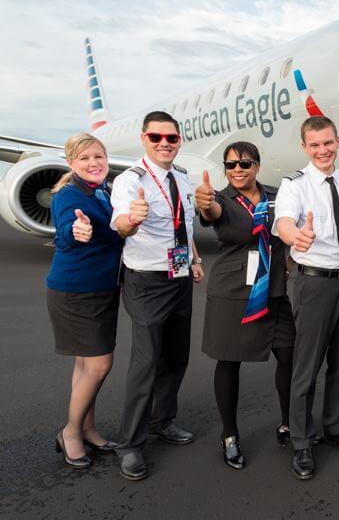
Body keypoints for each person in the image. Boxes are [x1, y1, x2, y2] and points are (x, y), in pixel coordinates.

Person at [273, 115, 339, 481]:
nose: (322, 150)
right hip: (313, 284)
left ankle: (334, 426)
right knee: (307, 367)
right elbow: (284, 221)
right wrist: (294, 236)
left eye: (328, 143)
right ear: (304, 147)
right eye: (314, 145)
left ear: (338, 142)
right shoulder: (295, 185)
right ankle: (301, 442)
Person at [109, 111, 204, 481]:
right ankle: (130, 443)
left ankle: (163, 420)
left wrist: (194, 259)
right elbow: (120, 226)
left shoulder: (181, 177)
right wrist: (131, 219)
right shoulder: (130, 181)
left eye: (171, 138)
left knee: (177, 356)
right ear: (144, 140)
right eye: (156, 137)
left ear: (179, 140)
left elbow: (186, 223)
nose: (164, 143)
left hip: (180, 275)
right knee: (146, 361)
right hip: (147, 280)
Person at [195, 141, 296, 470]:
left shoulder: (277, 195)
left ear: (257, 166)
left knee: (289, 354)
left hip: (274, 290)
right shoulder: (221, 199)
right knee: (229, 362)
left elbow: (290, 227)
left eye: (244, 163)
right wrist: (205, 204)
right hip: (233, 292)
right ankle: (229, 435)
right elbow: (212, 215)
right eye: (231, 165)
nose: (237, 169)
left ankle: (288, 424)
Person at [45, 133, 123, 469]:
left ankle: (88, 428)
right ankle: (71, 432)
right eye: (85, 159)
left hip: (102, 288)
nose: (94, 164)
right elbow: (64, 228)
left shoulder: (103, 191)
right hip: (76, 291)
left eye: (99, 157)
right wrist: (75, 232)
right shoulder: (68, 195)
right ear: (71, 163)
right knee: (99, 364)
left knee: (85, 364)